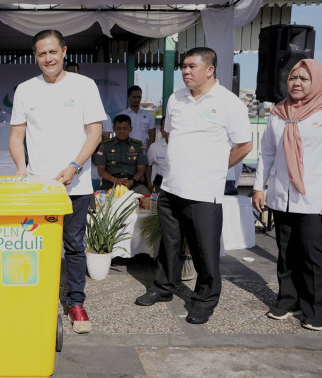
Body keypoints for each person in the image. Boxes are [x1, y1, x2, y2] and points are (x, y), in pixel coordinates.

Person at [135, 47, 252, 325]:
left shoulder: (228, 102)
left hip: (203, 191)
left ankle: (205, 298)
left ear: (210, 69)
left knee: (204, 249)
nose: (185, 71)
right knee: (169, 244)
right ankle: (164, 287)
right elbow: (168, 131)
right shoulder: (177, 98)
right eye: (183, 67)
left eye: (191, 67)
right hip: (172, 186)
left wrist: (215, 167)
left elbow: (245, 144)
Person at [9, 29, 105, 334]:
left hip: (75, 185)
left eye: (53, 52)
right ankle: (36, 298)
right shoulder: (25, 89)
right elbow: (16, 135)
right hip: (38, 188)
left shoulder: (84, 85)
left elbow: (95, 133)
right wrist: (21, 167)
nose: (48, 58)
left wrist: (75, 167)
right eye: (41, 54)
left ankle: (76, 302)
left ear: (64, 51)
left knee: (73, 245)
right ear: (35, 57)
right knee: (34, 244)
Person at [252, 59, 322, 331]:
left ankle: (317, 308)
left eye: (304, 79)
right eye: (292, 78)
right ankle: (288, 300)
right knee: (286, 252)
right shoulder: (278, 112)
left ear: (317, 82)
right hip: (281, 195)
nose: (296, 83)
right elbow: (268, 153)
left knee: (312, 253)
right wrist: (258, 186)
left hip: (315, 197)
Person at [95, 114, 150, 195]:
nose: (122, 131)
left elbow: (141, 169)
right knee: (97, 201)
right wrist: (115, 181)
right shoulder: (105, 146)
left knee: (147, 197)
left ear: (130, 129)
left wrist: (132, 181)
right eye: (118, 128)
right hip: (110, 183)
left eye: (125, 128)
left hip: (133, 183)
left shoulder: (138, 146)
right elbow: (101, 171)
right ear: (113, 129)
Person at [146, 116, 169, 190]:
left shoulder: (184, 147)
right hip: (160, 184)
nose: (169, 130)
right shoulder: (154, 148)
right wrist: (149, 185)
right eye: (166, 126)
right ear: (161, 130)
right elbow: (146, 166)